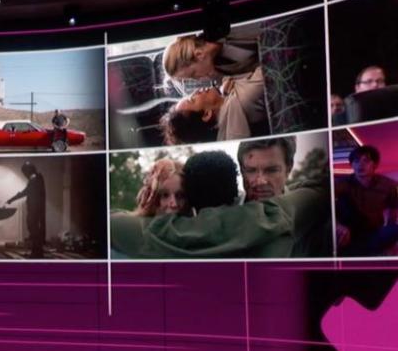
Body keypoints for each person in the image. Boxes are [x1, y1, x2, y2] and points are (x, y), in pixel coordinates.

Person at [111, 150, 328, 258]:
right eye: (163, 195)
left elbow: (112, 221)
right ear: (236, 188)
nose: (173, 204)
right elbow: (316, 192)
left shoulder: (148, 235)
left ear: (192, 198)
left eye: (180, 195)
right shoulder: (277, 216)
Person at [237, 137, 331, 257]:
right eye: (251, 170)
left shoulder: (314, 225)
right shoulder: (223, 210)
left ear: (288, 168)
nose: (260, 181)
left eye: (271, 170)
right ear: (241, 170)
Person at [160, 66, 267, 145]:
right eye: (193, 99)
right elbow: (270, 63)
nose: (196, 91)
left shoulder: (226, 96)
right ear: (207, 114)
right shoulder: (246, 96)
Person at [336, 145, 398, 256]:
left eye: (366, 160)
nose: (360, 164)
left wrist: (389, 236)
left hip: (374, 232)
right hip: (347, 233)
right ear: (352, 165)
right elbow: (323, 208)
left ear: (375, 165)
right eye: (356, 161)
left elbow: (393, 208)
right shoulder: (340, 184)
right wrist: (337, 225)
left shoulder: (388, 185)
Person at [162, 29, 260, 82]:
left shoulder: (225, 28)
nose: (198, 80)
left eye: (193, 75)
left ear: (199, 54)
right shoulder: (220, 72)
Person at [6, 161, 46, 258]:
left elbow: (25, 192)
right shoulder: (38, 178)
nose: (24, 174)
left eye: (25, 172)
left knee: (34, 230)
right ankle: (37, 252)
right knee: (34, 230)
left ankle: (37, 253)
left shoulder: (34, 179)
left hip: (35, 209)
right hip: (36, 208)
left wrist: (12, 199)